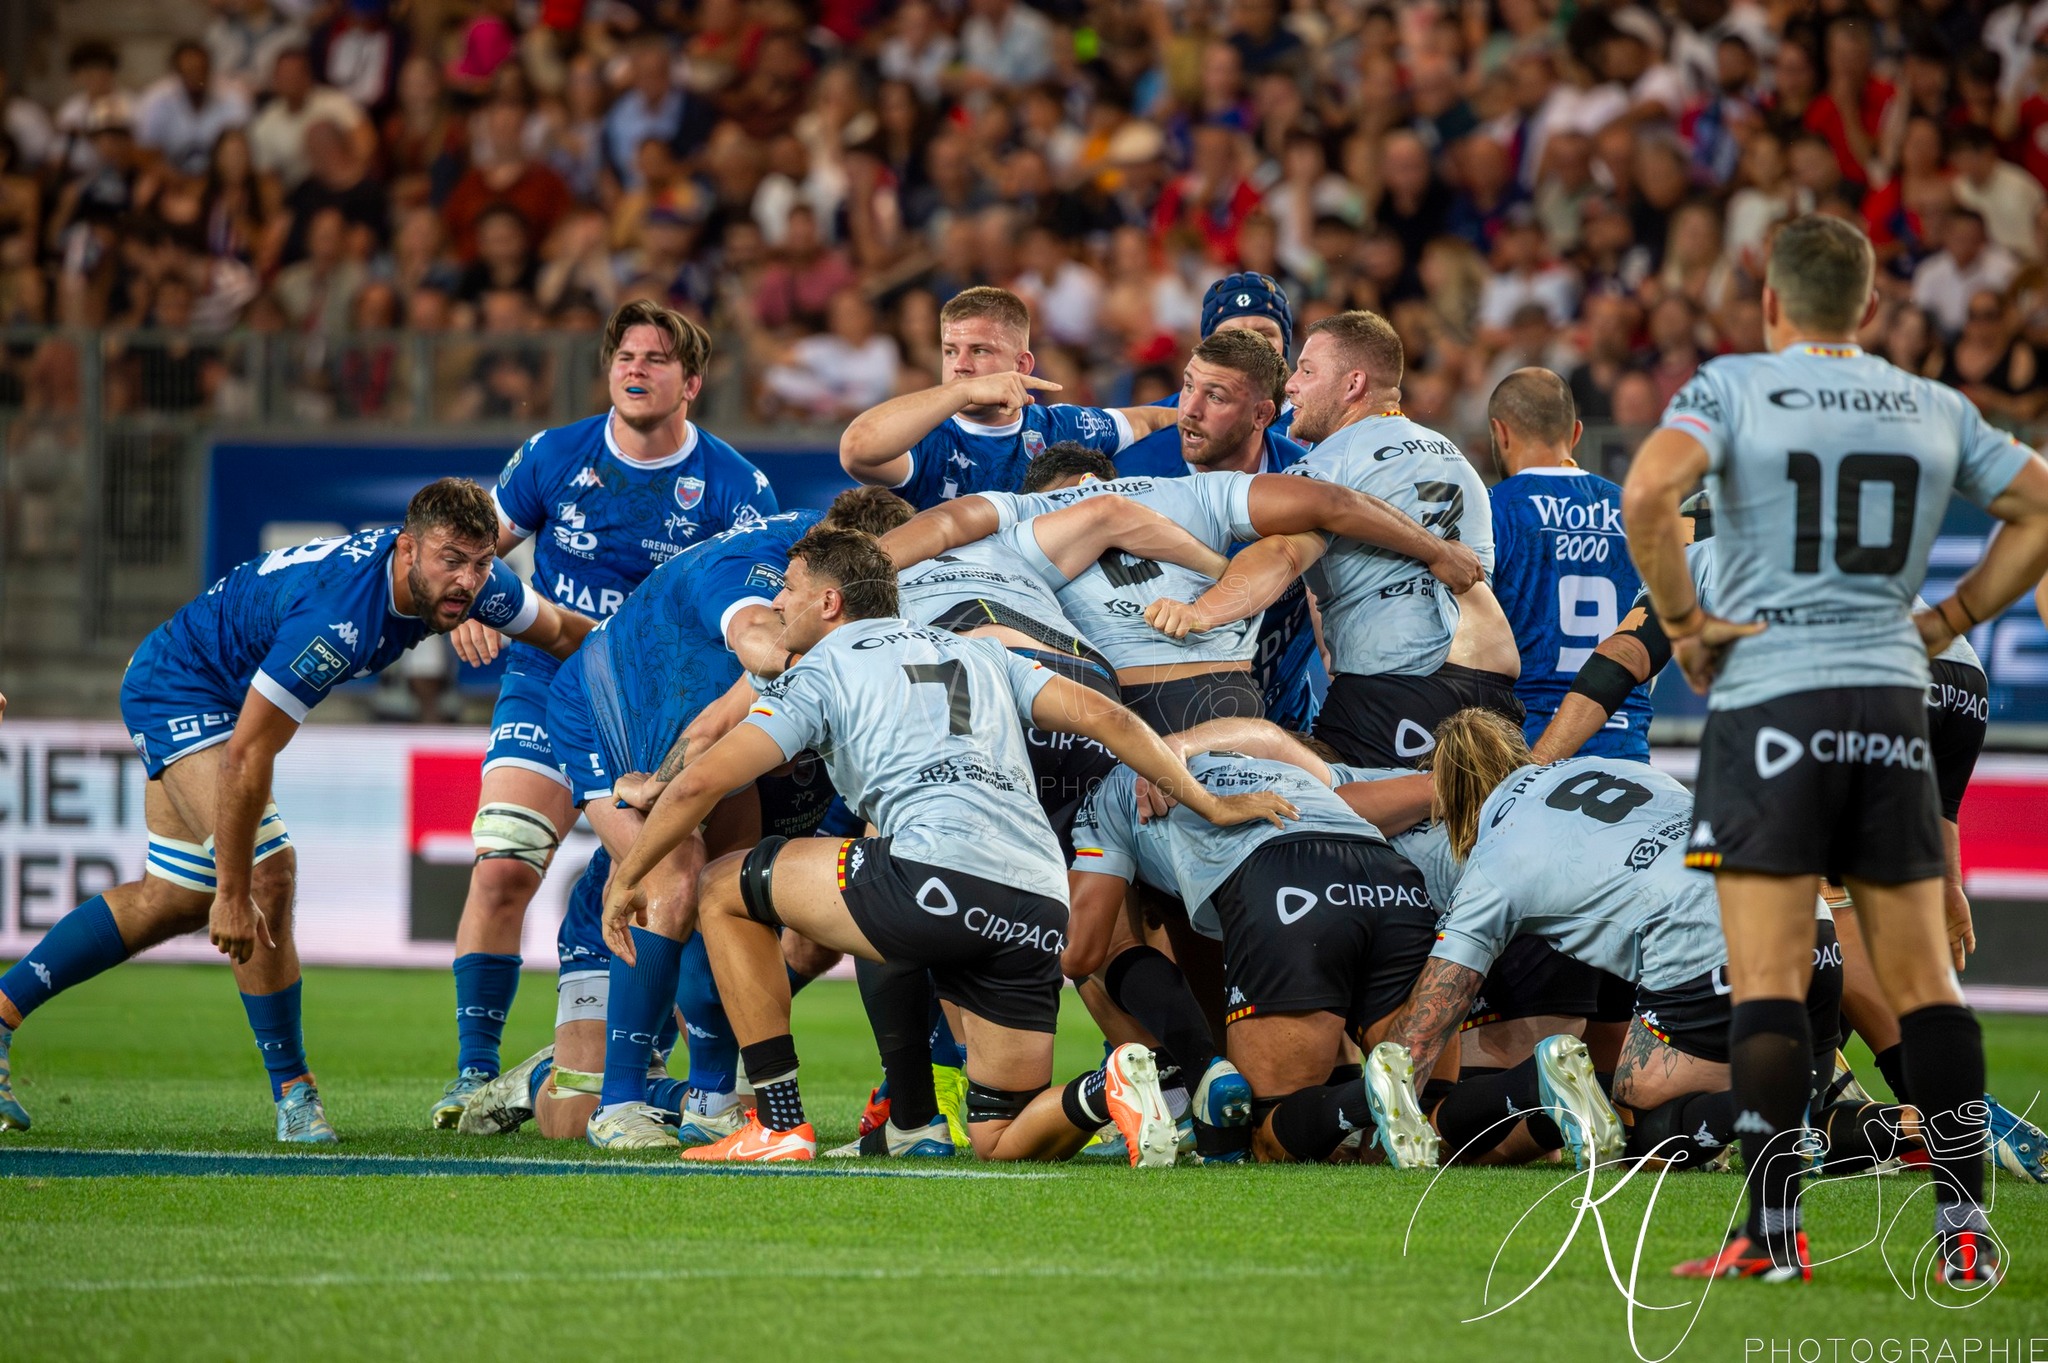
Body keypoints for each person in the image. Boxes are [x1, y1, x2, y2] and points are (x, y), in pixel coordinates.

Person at [1623, 213, 2048, 1284]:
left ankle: (1769, 1235)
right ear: (1867, 310)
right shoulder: (1929, 403)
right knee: (1923, 986)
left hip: (1769, 702)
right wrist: (1949, 618)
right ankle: (1963, 1229)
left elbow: (1646, 495)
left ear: (1769, 304)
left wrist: (1681, 626)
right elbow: (2037, 503)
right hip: (1886, 699)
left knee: (1767, 980)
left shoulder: (1728, 389)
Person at [602, 529, 1296, 1163]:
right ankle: (1106, 1083)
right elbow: (1108, 716)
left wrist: (627, 872)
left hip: (932, 877)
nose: (777, 602)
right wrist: (1209, 801)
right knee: (1001, 1134)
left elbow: (698, 785)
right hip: (1036, 903)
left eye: (788, 587)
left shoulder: (820, 668)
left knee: (726, 884)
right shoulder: (979, 652)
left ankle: (779, 1123)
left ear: (830, 601)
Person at [0, 480, 591, 1141]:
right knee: (265, 874)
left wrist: (649, 674)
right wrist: (232, 890)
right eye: (449, 559)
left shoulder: (480, 588)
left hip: (199, 684)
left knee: (170, 897)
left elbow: (567, 632)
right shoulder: (338, 619)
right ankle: (295, 1095)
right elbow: (247, 755)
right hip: (180, 688)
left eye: (480, 562)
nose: (467, 580)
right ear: (406, 549)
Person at [458, 491, 913, 1150]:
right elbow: (752, 653)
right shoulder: (763, 579)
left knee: (731, 891)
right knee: (671, 881)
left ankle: (707, 1099)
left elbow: (712, 733)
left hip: (677, 744)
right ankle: (613, 1102)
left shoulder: (824, 603)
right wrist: (835, 673)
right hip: (602, 713)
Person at [428, 300, 776, 1128]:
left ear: (690, 382)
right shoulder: (554, 454)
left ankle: (660, 1076)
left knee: (680, 876)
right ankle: (474, 1070)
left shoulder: (734, 485)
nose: (637, 369)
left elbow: (760, 608)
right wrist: (472, 599)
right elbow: (478, 549)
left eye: (657, 359)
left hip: (658, 710)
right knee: (505, 865)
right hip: (550, 683)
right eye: (626, 355)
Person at [1369, 710, 1881, 1179]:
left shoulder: (1495, 858)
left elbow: (1429, 1019)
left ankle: (1773, 1096)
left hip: (1713, 948)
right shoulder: (1613, 768)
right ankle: (1921, 1122)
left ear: (1449, 800)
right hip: (1810, 925)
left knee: (1640, 1109)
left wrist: (1387, 1114)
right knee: (1796, 1122)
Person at [889, 424, 1482, 735]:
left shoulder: (1021, 517)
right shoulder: (1192, 489)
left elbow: (943, 524)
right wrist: (1435, 550)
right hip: (1221, 689)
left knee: (1113, 911)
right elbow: (1330, 502)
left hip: (1112, 701)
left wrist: (860, 570)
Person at [1145, 311, 1508, 768]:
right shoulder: (1456, 457)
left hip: (1402, 688)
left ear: (1353, 385)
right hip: (1494, 690)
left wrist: (1200, 612)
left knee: (1322, 813)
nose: (1292, 385)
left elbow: (1283, 553)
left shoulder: (1327, 468)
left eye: (1307, 371)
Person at [1062, 732, 1437, 1166]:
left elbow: (1082, 953)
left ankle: (1354, 1098)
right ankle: (1524, 1083)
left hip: (1286, 878)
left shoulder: (1115, 787)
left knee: (1268, 1136)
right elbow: (1431, 783)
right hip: (1393, 879)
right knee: (1437, 1116)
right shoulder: (1291, 765)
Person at [836, 286, 1180, 508]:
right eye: (950, 351)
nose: (961, 366)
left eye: (980, 351)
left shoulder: (1060, 425)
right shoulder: (925, 437)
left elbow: (1152, 419)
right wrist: (964, 392)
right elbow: (856, 450)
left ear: (1022, 365)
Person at [1486, 368, 1653, 760]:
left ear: (1501, 432)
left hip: (1527, 746)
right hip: (1625, 744)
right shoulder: (1635, 512)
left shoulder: (1493, 509)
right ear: (1576, 434)